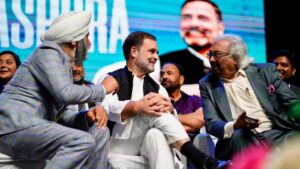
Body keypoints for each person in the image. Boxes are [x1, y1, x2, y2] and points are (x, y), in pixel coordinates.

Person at [0, 11, 118, 169]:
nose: (89, 43)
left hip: (33, 127)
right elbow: (66, 93)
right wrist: (103, 89)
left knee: (100, 131)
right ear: (75, 40)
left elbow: (62, 116)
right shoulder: (48, 51)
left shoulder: (64, 66)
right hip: (13, 127)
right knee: (82, 141)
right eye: (87, 36)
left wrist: (86, 116)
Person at [103, 31, 229, 169]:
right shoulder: (112, 79)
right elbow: (103, 108)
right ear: (134, 51)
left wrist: (172, 111)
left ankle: (202, 160)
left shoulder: (158, 88)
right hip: (120, 145)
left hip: (146, 148)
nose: (156, 57)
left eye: (157, 52)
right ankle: (201, 159)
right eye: (152, 51)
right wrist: (137, 106)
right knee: (153, 110)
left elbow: (170, 118)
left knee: (156, 134)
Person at [199, 34, 300, 160]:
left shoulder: (265, 71)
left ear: (235, 58)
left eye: (217, 54)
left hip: (275, 133)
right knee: (241, 136)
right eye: (210, 54)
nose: (212, 60)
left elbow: (291, 102)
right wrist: (235, 125)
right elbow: (211, 123)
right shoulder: (207, 84)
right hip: (239, 137)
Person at [160, 0, 224, 95]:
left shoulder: (238, 65)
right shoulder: (160, 64)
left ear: (220, 28)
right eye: (186, 18)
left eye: (203, 18)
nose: (194, 24)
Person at [160, 62, 204, 140]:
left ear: (181, 79)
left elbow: (200, 119)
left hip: (192, 141)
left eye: (169, 73)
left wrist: (173, 116)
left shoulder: (193, 99)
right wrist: (190, 123)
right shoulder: (158, 100)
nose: (164, 76)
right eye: (162, 74)